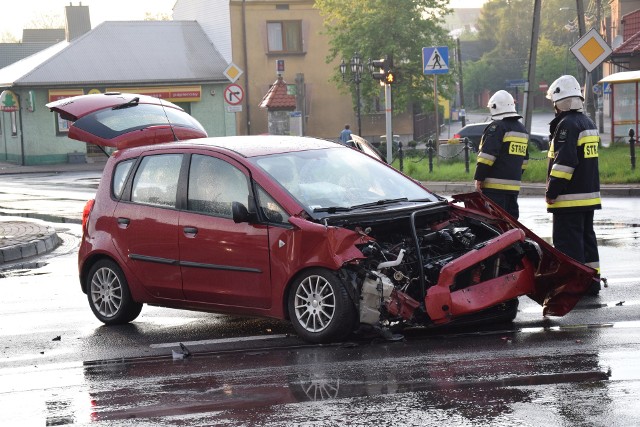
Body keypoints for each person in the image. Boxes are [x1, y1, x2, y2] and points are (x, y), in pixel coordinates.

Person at [545, 74, 601, 295]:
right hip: (588, 197)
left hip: (569, 200)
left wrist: (552, 191)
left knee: (568, 246)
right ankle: (591, 282)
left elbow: (565, 163)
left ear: (560, 102)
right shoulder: (588, 122)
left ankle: (574, 287)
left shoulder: (567, 125)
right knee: (587, 242)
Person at [474, 90, 529, 219]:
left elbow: (487, 156)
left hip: (493, 189)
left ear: (494, 107)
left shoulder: (497, 127)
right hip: (514, 188)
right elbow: (524, 160)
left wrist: (479, 178)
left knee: (494, 226)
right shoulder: (522, 129)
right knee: (510, 225)